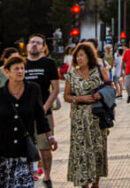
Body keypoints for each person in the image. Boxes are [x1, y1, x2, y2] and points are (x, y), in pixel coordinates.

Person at [0, 53, 58, 188]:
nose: (20, 71)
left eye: (22, 68)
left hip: (23, 149)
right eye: (16, 69)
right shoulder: (1, 94)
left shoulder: (33, 89)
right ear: (7, 72)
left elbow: (40, 116)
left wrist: (50, 137)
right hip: (4, 150)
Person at [63, 41, 111, 188]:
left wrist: (100, 95)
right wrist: (79, 98)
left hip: (97, 117)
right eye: (77, 56)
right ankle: (83, 183)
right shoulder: (72, 74)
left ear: (89, 56)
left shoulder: (99, 69)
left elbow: (111, 87)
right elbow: (66, 96)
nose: (79, 59)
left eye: (82, 55)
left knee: (97, 149)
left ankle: (95, 183)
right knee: (81, 151)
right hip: (79, 119)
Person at [24, 34, 60, 188]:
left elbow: (55, 88)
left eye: (38, 43)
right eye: (32, 42)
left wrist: (45, 107)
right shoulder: (21, 63)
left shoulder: (49, 63)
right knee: (24, 146)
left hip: (44, 112)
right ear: (27, 46)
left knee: (45, 148)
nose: (34, 45)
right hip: (24, 114)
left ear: (43, 47)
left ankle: (47, 176)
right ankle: (29, 174)